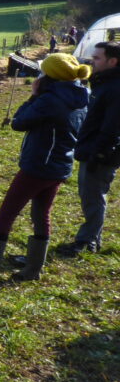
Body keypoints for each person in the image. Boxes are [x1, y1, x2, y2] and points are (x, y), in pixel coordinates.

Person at [0, 53, 90, 282]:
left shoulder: (50, 99)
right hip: (61, 165)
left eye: (43, 71)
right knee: (41, 214)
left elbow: (19, 123)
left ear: (51, 75)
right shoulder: (81, 95)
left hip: (38, 166)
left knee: (6, 214)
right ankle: (33, 269)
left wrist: (33, 96)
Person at [56, 42, 120, 257]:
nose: (92, 61)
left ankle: (86, 241)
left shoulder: (115, 88)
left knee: (93, 197)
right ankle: (93, 238)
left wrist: (99, 153)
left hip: (101, 152)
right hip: (93, 148)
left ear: (113, 61)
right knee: (90, 195)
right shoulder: (104, 82)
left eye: (98, 58)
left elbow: (112, 126)